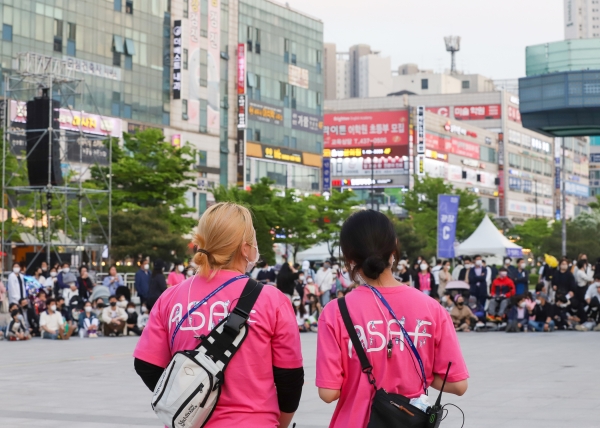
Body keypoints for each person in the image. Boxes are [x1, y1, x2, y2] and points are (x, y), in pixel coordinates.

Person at [134, 202, 304, 428]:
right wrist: (281, 423)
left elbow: (146, 364)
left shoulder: (170, 298)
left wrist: (187, 403)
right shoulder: (272, 300)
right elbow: (290, 378)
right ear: (246, 248)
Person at [316, 210, 468, 428]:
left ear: (348, 259)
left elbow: (329, 392)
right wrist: (417, 373)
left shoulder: (335, 312)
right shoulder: (432, 308)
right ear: (394, 247)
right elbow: (458, 385)